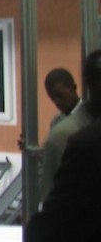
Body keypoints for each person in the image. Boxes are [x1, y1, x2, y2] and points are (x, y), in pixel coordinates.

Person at [26, 49, 101, 241]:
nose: (57, 102)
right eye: (53, 98)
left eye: (59, 95)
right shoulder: (60, 129)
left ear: (76, 87)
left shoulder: (81, 139)